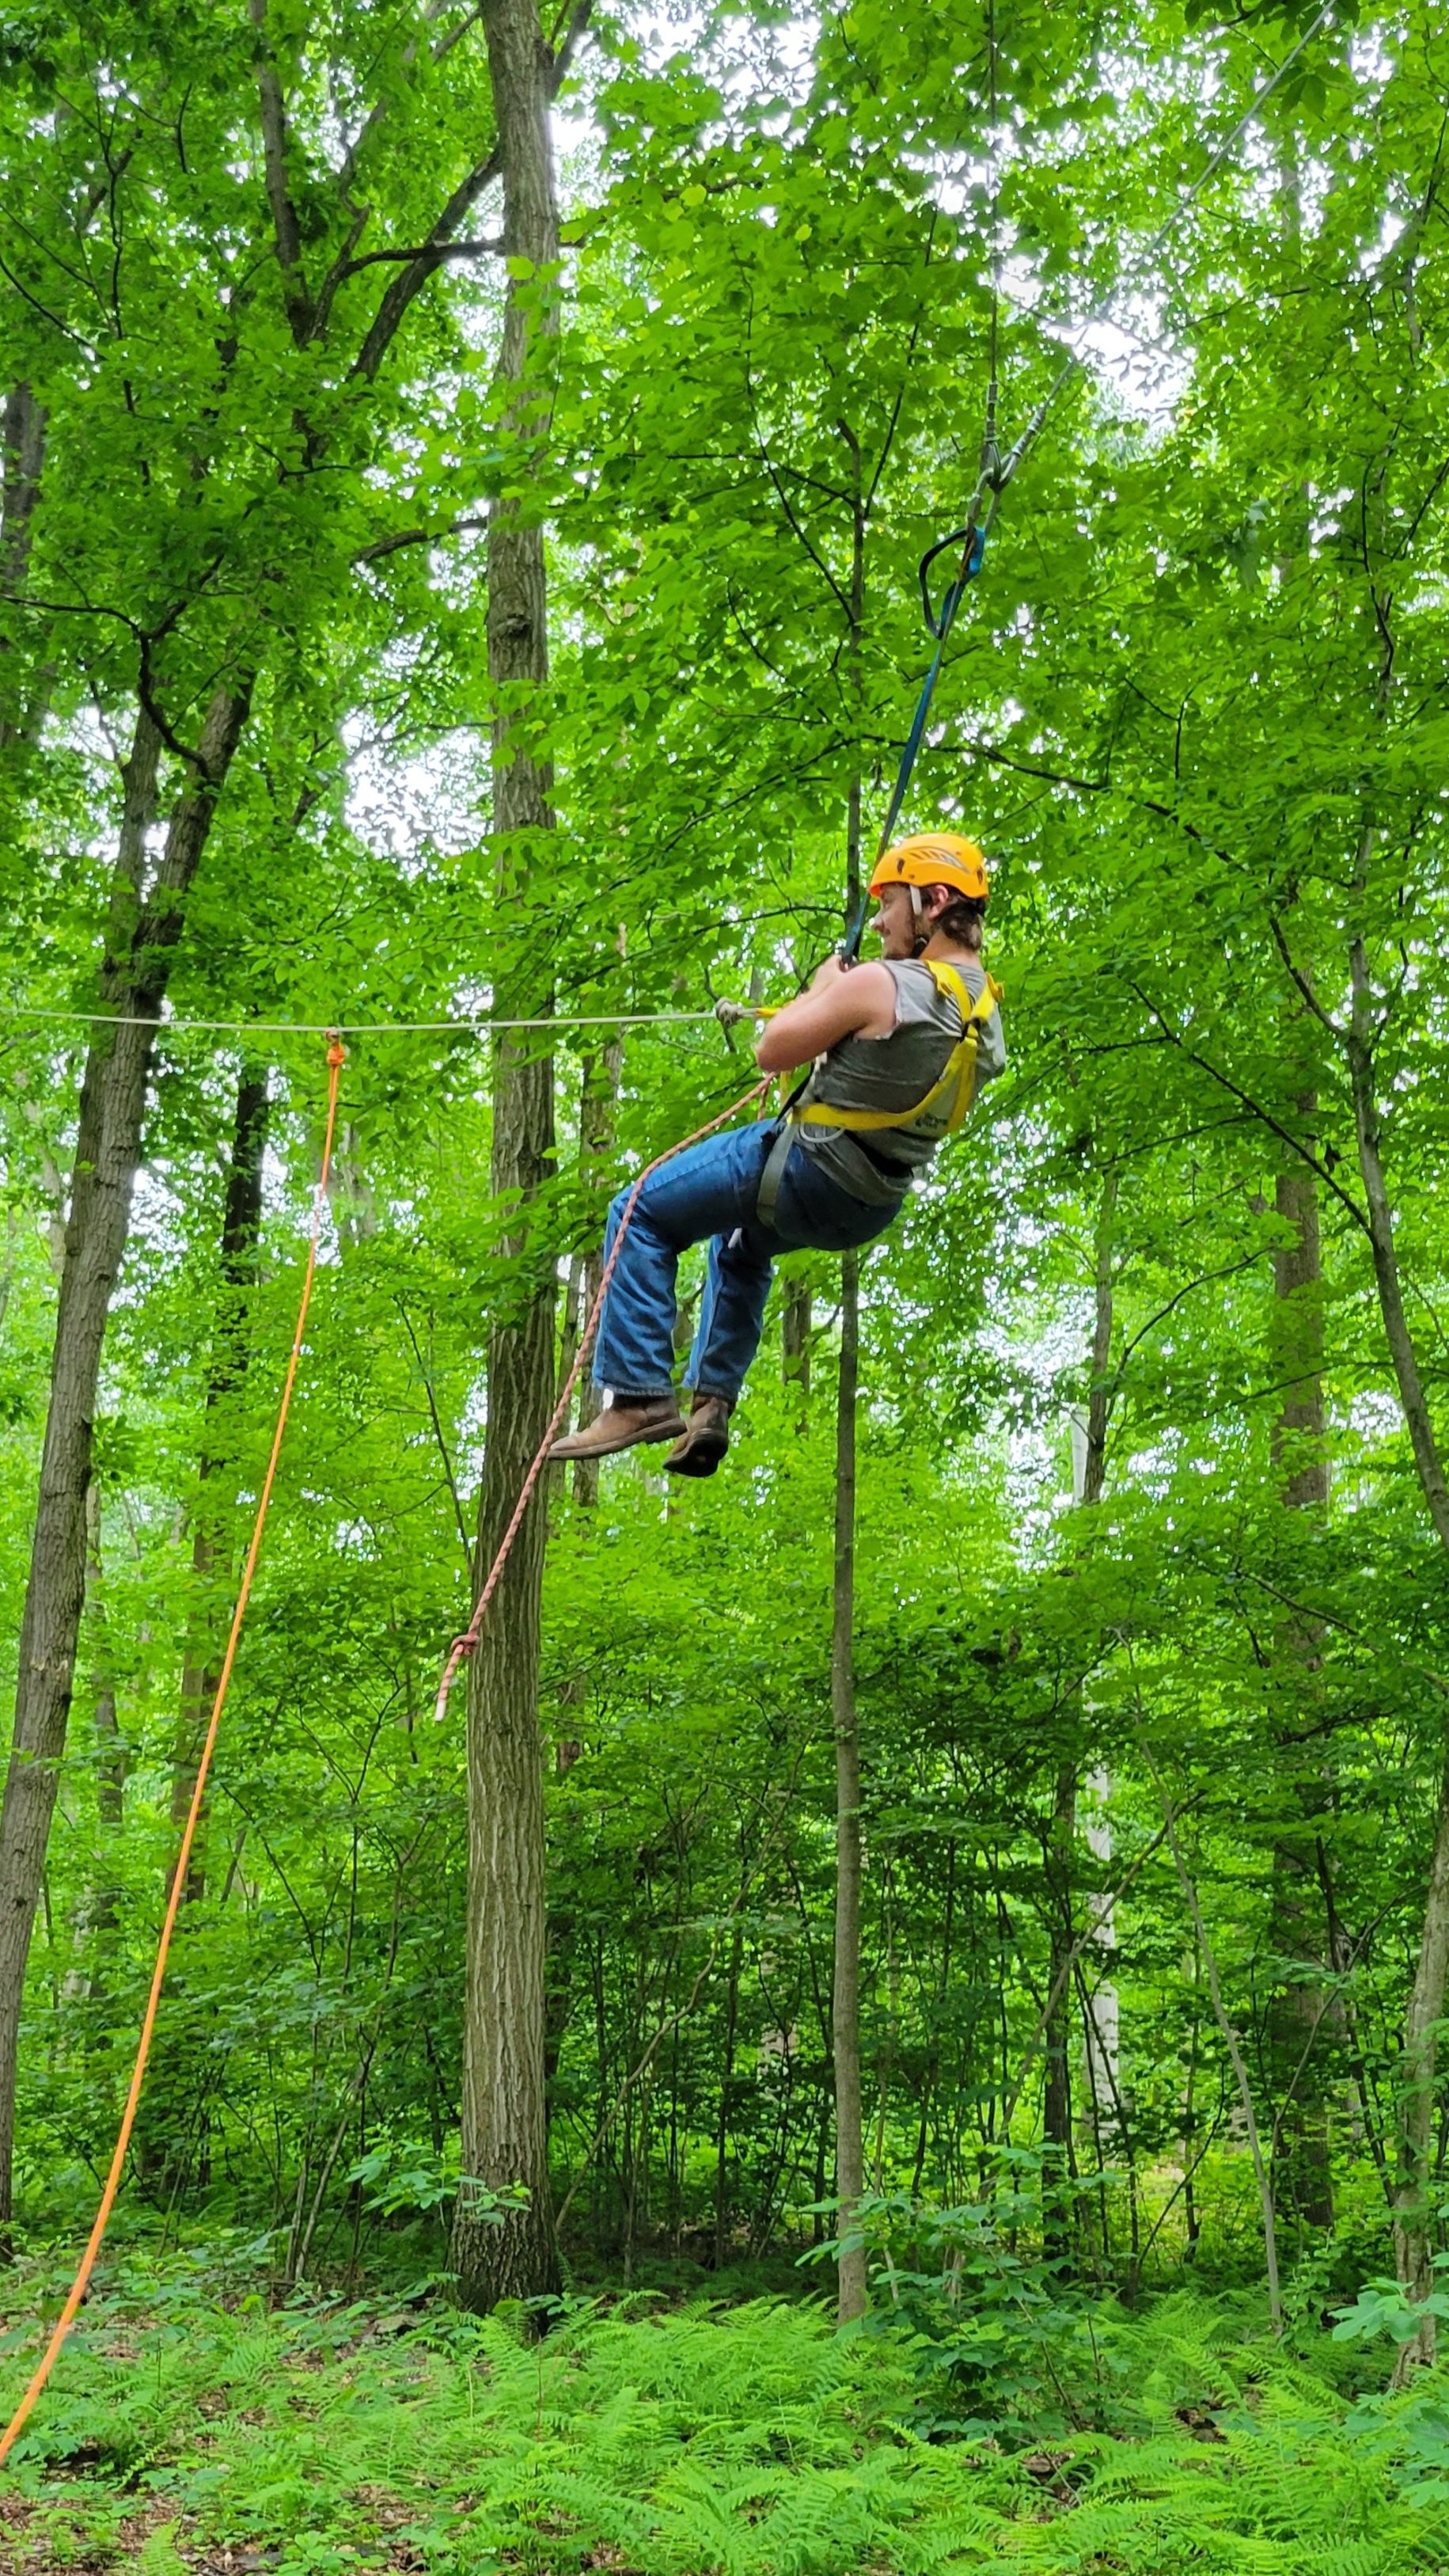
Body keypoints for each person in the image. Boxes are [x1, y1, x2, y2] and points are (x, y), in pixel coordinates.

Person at [548, 832, 1006, 1479]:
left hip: (806, 1170)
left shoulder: (882, 984)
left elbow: (774, 1049)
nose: (876, 920)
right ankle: (710, 1407)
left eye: (888, 904)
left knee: (637, 1213)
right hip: (869, 1204)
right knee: (739, 1247)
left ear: (932, 901)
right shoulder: (986, 1016)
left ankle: (639, 1395)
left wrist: (825, 985)